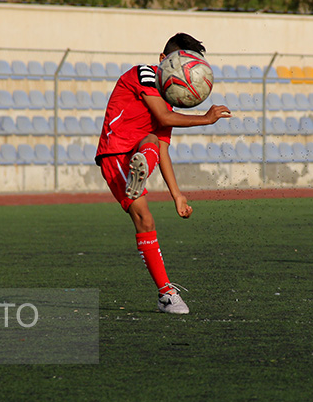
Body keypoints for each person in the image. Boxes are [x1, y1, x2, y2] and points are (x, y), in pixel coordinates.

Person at [95, 33, 231, 314]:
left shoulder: (168, 102)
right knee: (145, 212)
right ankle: (167, 294)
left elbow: (164, 149)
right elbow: (165, 119)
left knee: (152, 150)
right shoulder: (144, 73)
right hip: (115, 150)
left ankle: (164, 295)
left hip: (140, 152)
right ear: (162, 60)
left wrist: (177, 196)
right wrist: (205, 119)